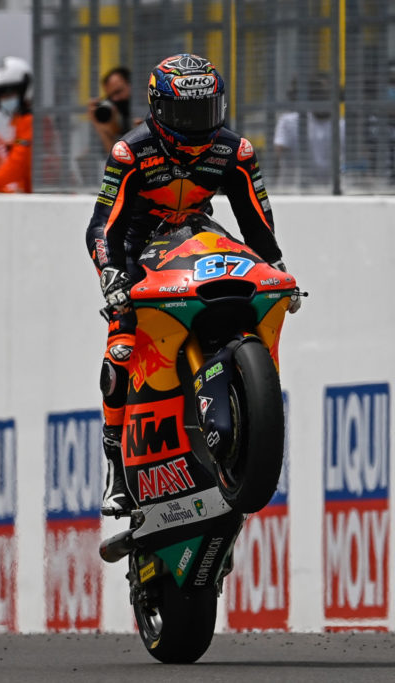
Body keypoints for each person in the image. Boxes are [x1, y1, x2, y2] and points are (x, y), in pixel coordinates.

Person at [84, 53, 300, 516]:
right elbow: (102, 226)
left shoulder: (235, 151)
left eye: (206, 112)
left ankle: (242, 395)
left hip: (200, 237)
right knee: (121, 345)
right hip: (138, 250)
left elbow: (256, 221)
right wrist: (111, 276)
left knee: (253, 285)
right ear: (158, 109)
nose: (197, 125)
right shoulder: (130, 152)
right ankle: (116, 465)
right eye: (185, 114)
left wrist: (277, 266)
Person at [273, 74, 345, 188]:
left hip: (330, 191)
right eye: (320, 96)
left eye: (327, 96)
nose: (323, 100)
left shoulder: (342, 126)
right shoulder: (290, 122)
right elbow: (277, 157)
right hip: (293, 191)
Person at [0, 56, 33, 194]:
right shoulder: (22, 120)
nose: (4, 99)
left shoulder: (29, 121)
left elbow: (17, 165)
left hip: (47, 195)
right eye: (0, 96)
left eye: (8, 94)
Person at [88, 66, 133, 154]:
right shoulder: (115, 116)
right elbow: (116, 158)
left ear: (131, 85)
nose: (115, 99)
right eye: (110, 96)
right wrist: (101, 128)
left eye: (118, 92)